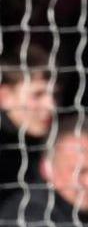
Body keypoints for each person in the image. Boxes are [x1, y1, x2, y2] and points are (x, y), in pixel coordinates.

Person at [0, 46, 58, 202]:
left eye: (54, 94)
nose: (51, 105)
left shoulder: (53, 139)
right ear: (4, 96)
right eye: (37, 95)